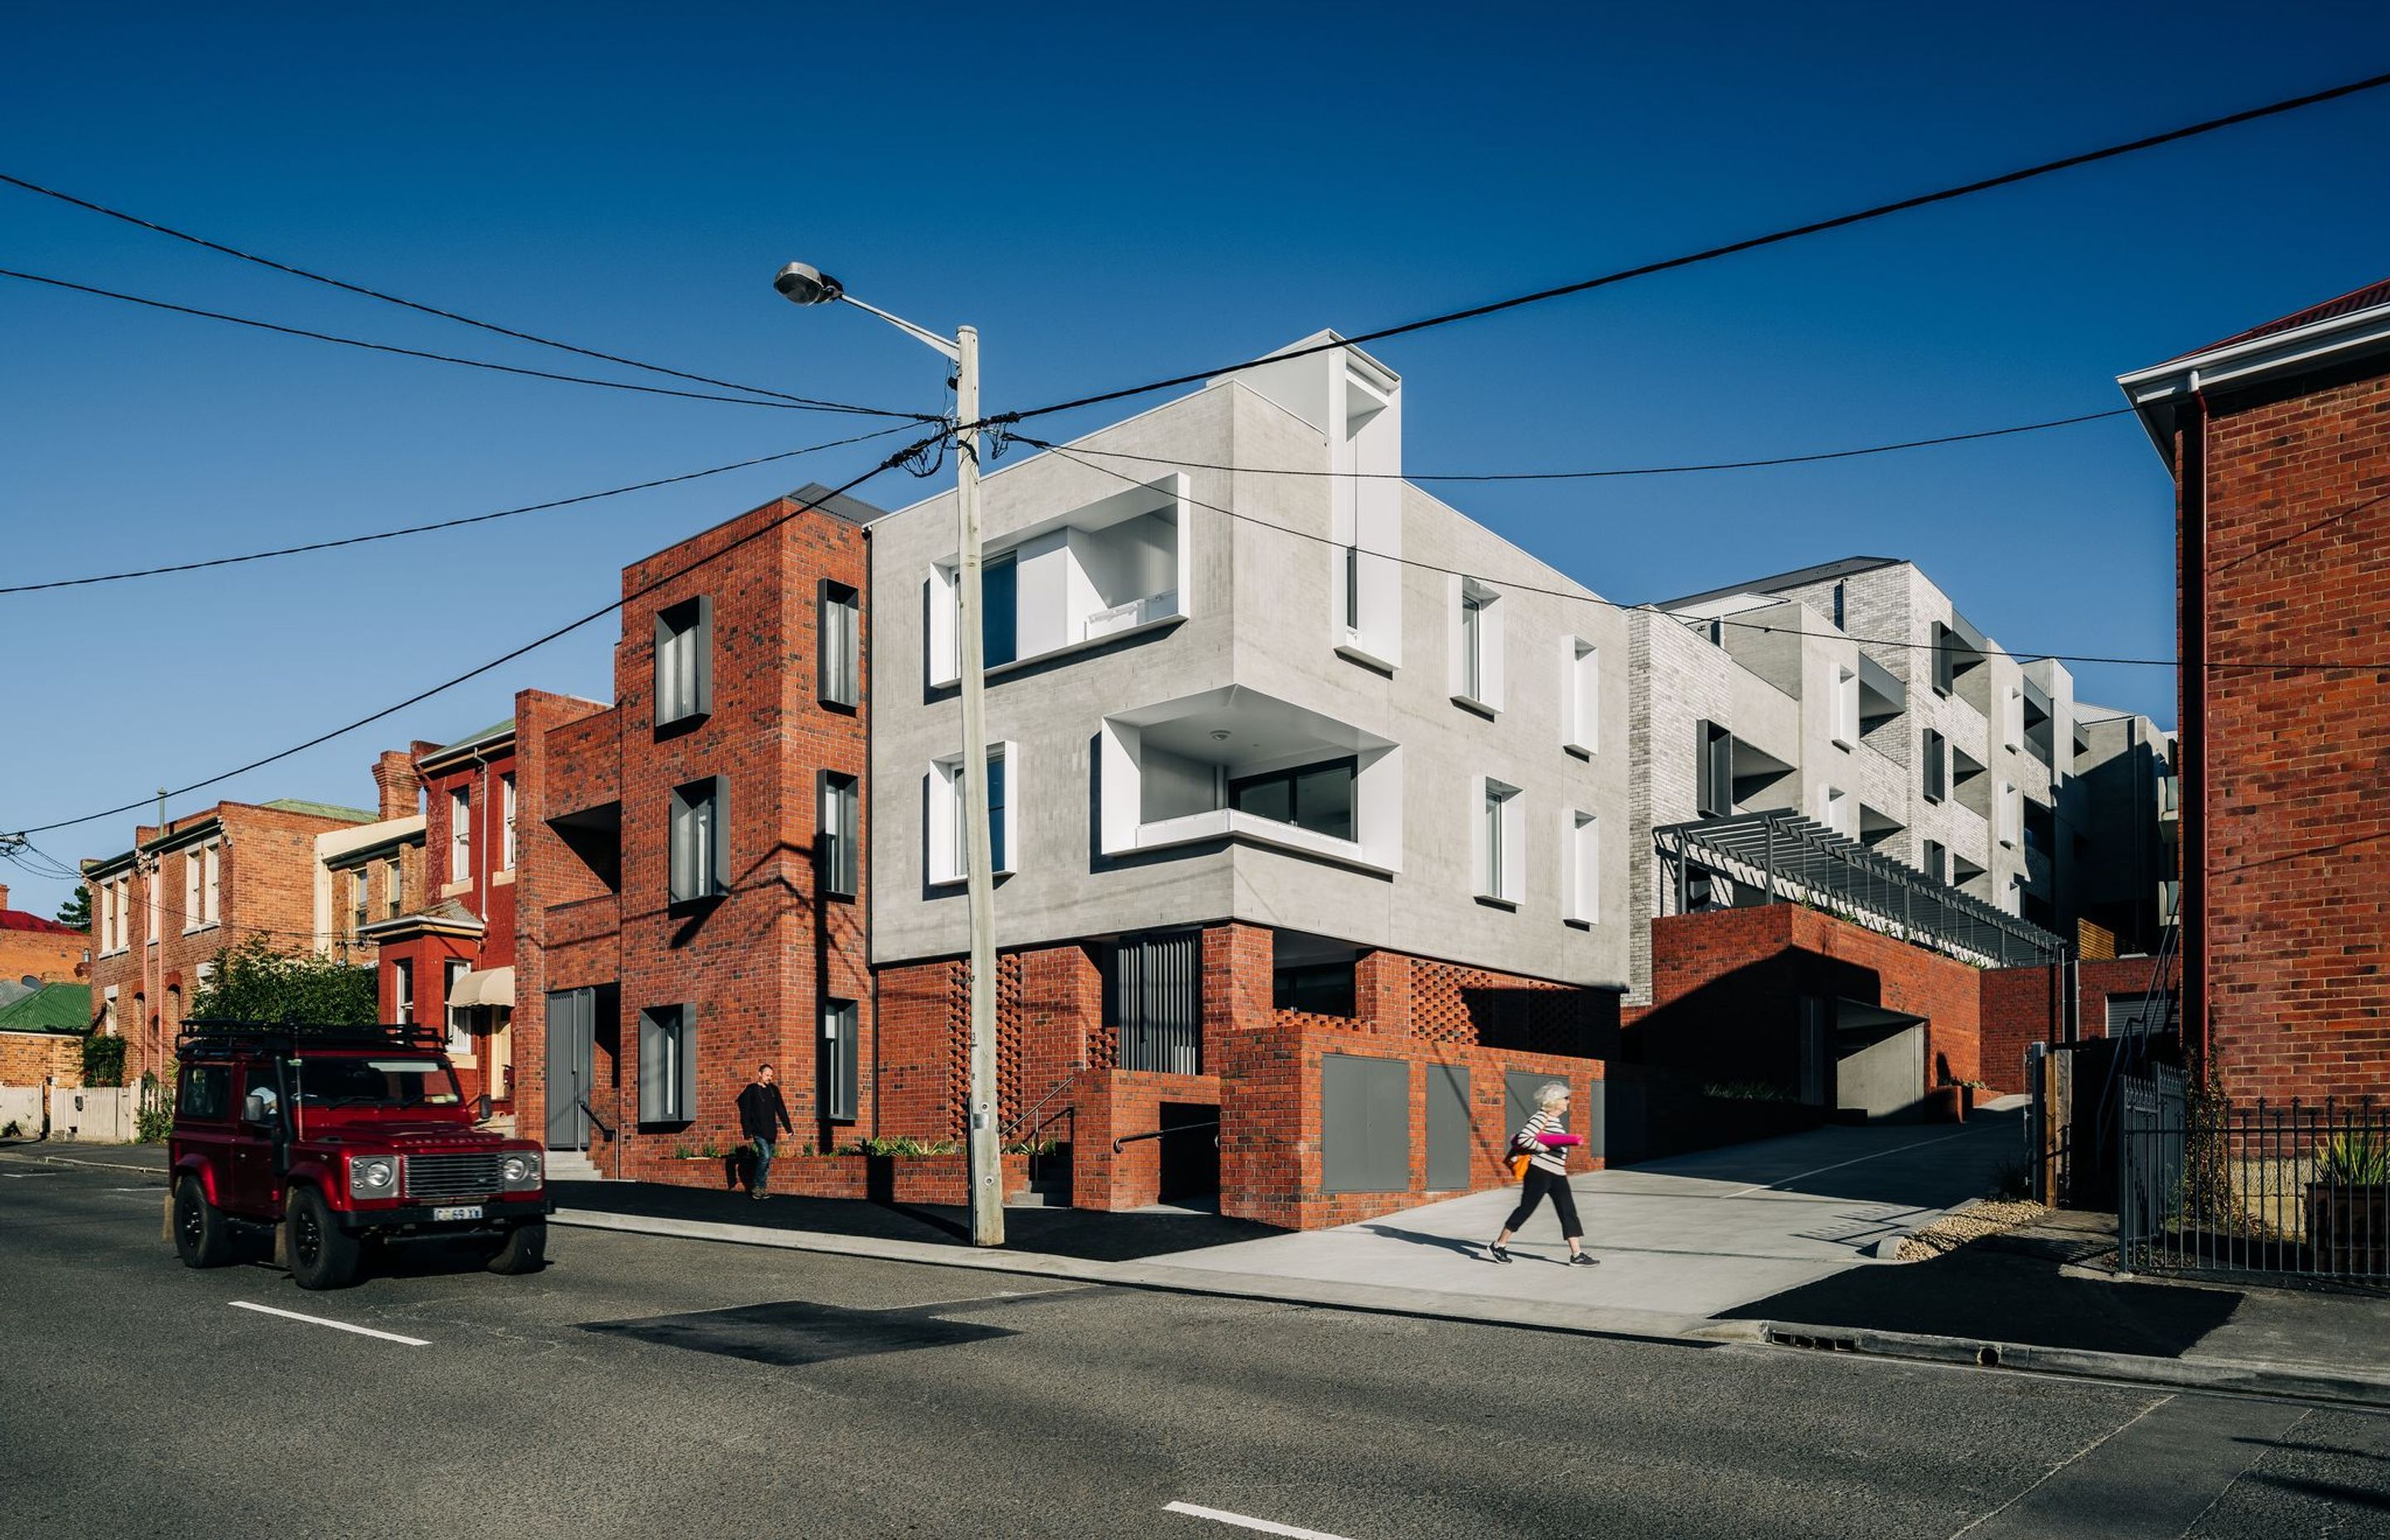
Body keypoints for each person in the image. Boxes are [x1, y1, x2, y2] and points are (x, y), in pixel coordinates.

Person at [1488, 1081, 1596, 1265]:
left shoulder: (1555, 1122)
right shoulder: (1540, 1118)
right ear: (1555, 1101)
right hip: (1539, 1171)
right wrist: (1542, 1148)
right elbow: (1523, 1138)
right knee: (1526, 1209)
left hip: (1557, 1173)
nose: (1568, 1102)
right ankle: (1499, 1245)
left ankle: (1577, 1254)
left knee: (1568, 1211)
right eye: (1565, 1098)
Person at [735, 1064, 793, 1201]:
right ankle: (756, 1186)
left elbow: (781, 1109)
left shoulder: (773, 1090)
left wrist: (788, 1128)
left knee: (767, 1161)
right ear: (759, 1074)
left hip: (771, 1131)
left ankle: (761, 1189)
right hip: (758, 1130)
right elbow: (744, 1109)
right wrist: (747, 1130)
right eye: (767, 1075)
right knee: (765, 1156)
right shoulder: (752, 1090)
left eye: (771, 1076)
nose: (769, 1078)